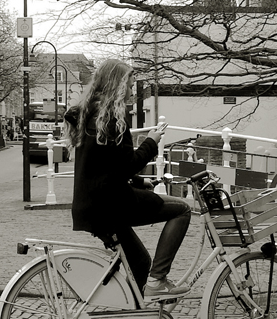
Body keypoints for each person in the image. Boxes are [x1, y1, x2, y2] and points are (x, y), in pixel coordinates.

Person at [63, 59, 191, 298]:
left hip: (92, 205)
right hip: (111, 205)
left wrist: (140, 182)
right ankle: (158, 281)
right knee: (182, 209)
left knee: (140, 263)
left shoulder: (92, 115)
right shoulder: (112, 119)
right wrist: (152, 141)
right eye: (130, 83)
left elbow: (105, 167)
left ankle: (137, 316)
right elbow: (126, 165)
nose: (133, 89)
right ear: (118, 84)